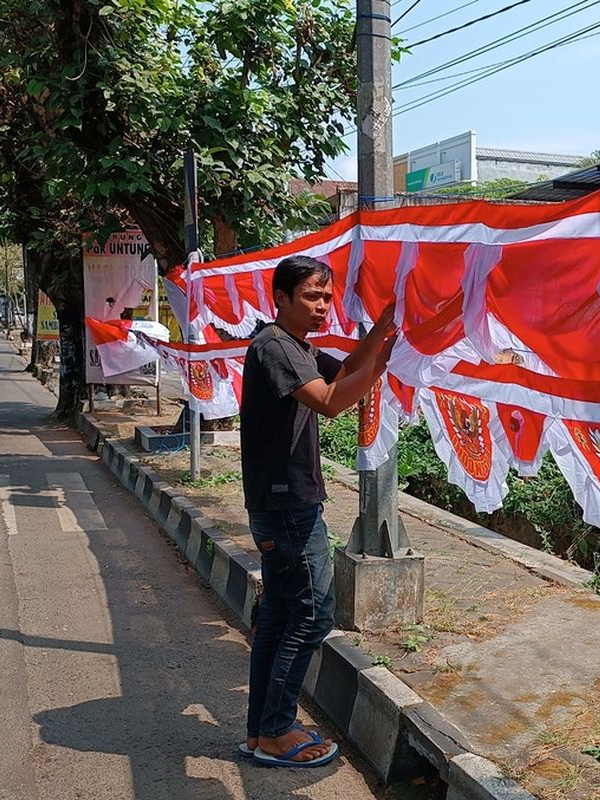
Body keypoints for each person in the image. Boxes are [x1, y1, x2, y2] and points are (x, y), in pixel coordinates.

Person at [239, 254, 397, 769]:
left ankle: (264, 731)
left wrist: (383, 330)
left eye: (327, 296)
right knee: (312, 615)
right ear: (280, 299)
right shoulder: (275, 346)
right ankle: (277, 729)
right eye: (311, 296)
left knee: (280, 617)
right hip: (286, 504)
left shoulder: (297, 346)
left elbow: (346, 368)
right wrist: (382, 363)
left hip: (285, 500)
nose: (322, 306)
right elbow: (330, 400)